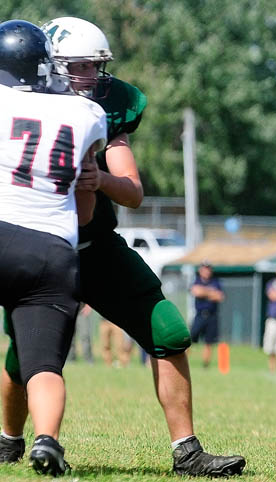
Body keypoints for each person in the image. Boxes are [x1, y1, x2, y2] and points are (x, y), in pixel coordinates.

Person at [0, 17, 246, 477]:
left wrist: (101, 178)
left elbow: (133, 190)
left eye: (96, 67)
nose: (91, 78)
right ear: (47, 65)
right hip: (40, 246)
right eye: (79, 66)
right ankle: (10, 441)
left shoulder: (103, 109)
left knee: (168, 331)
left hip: (95, 248)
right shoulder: (16, 102)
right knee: (26, 356)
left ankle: (186, 450)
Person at [0, 19, 107, 475]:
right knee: (43, 364)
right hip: (51, 250)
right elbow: (84, 211)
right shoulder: (86, 115)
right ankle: (46, 440)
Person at [190, 262, 225, 369]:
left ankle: (205, 366)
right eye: (204, 269)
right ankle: (184, 362)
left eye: (208, 269)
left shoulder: (216, 281)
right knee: (189, 340)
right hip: (200, 315)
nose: (207, 271)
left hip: (212, 316)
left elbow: (220, 296)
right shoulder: (196, 280)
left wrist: (204, 292)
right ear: (200, 270)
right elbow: (196, 292)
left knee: (209, 342)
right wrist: (211, 292)